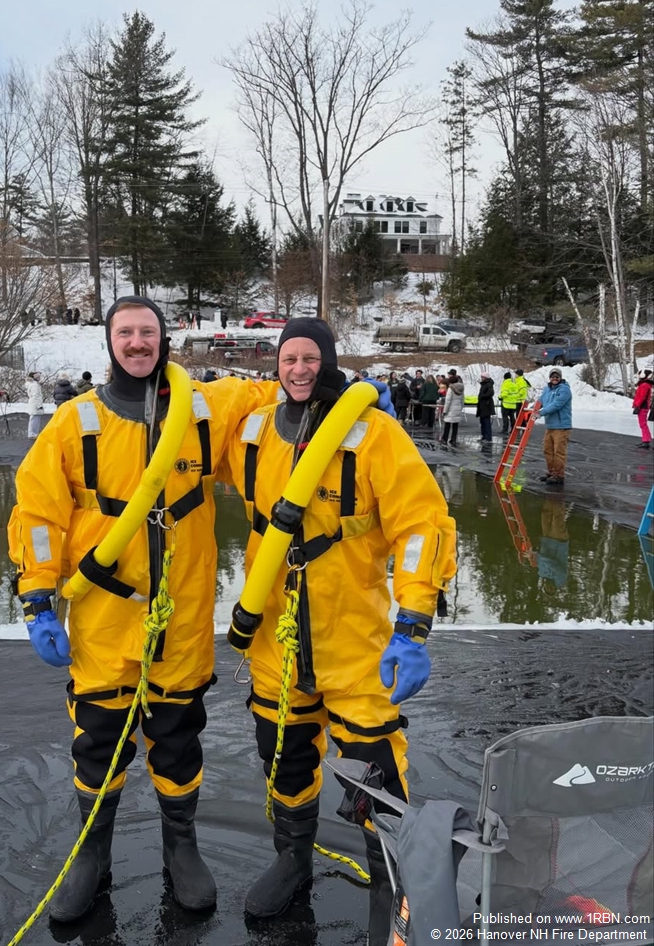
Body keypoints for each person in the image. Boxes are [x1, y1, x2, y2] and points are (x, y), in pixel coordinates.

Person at [8, 296, 283, 924]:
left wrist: (333, 386)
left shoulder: (202, 409)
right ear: (110, 343)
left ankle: (179, 845)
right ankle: (91, 852)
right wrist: (36, 599)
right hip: (104, 617)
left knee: (177, 740)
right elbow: (38, 515)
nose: (137, 342)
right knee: (98, 742)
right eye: (126, 332)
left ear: (165, 340)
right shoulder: (75, 423)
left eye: (148, 332)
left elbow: (273, 393)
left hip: (180, 619)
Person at [218, 318, 456, 936]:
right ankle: (291, 856)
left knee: (375, 767)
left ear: (328, 362)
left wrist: (413, 624)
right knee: (284, 758)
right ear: (276, 364)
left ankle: (390, 875)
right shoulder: (250, 434)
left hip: (355, 642)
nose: (298, 368)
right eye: (288, 357)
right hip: (276, 639)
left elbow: (423, 524)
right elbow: (182, 430)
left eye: (310, 358)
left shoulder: (372, 433)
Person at [537, 368, 572, 485]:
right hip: (550, 426)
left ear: (560, 378)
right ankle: (551, 472)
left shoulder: (564, 390)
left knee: (559, 452)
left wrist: (540, 413)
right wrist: (531, 408)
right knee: (547, 450)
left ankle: (558, 475)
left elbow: (556, 405)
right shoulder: (547, 390)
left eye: (557, 377)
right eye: (552, 376)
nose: (554, 379)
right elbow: (540, 401)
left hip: (561, 426)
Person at [441, 370, 465, 446]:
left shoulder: (450, 389)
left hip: (450, 409)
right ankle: (453, 439)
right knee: (455, 425)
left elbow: (448, 401)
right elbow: (462, 400)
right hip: (457, 409)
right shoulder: (461, 388)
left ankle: (445, 438)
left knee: (447, 424)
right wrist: (461, 408)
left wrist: (445, 411)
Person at [632, 370, 652, 450]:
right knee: (643, 424)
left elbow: (641, 397)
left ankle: (646, 441)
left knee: (643, 424)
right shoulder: (645, 384)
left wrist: (637, 406)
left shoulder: (644, 385)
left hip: (642, 407)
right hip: (643, 406)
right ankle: (646, 439)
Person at [476, 373, 496, 443]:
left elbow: (491, 393)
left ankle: (488, 437)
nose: (481, 378)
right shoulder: (484, 384)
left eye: (483, 377)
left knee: (486, 422)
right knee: (482, 422)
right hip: (482, 405)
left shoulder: (489, 384)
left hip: (486, 405)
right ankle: (484, 436)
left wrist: (482, 396)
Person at [25, 372, 45, 440]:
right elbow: (36, 396)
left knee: (35, 419)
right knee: (34, 419)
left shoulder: (33, 384)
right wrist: (39, 405)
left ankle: (34, 433)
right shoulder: (34, 385)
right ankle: (32, 433)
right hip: (35, 404)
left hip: (34, 403)